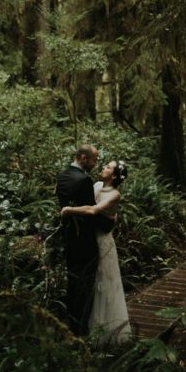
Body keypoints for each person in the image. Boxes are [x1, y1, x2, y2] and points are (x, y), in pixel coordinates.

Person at [61, 160, 132, 345]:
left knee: (104, 282)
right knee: (89, 281)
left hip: (102, 242)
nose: (103, 167)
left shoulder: (115, 194)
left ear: (114, 176)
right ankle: (86, 326)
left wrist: (69, 210)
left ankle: (105, 332)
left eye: (108, 167)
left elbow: (93, 210)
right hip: (88, 239)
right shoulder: (97, 185)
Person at [56, 145, 100, 336]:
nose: (95, 164)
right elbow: (91, 213)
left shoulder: (63, 175)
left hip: (69, 238)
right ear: (83, 158)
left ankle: (71, 323)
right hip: (84, 240)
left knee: (72, 281)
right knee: (84, 284)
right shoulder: (84, 180)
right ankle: (80, 330)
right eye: (93, 160)